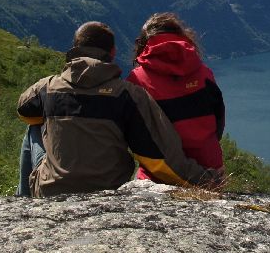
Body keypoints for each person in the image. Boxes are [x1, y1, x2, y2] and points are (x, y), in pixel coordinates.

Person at [15, 20, 219, 198]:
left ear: (74, 50)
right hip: (108, 189)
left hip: (51, 191)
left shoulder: (47, 88)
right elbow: (158, 158)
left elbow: (24, 111)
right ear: (112, 53)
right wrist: (205, 180)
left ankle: (23, 202)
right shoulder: (127, 94)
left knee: (35, 127)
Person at [127, 13, 225, 180]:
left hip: (161, 175)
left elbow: (135, 136)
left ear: (143, 43)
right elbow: (218, 122)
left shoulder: (137, 81)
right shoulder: (204, 74)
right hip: (210, 172)